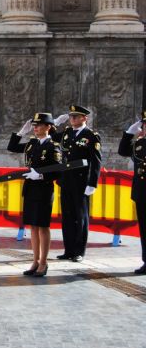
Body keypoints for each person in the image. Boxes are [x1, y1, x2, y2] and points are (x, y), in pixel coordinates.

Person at [8, 113, 62, 277]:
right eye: (34, 125)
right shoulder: (31, 144)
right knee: (32, 226)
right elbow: (12, 147)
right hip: (30, 189)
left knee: (43, 226)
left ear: (48, 127)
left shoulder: (54, 146)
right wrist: (19, 133)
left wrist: (41, 175)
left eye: (39, 125)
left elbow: (58, 170)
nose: (35, 127)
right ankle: (35, 260)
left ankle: (43, 262)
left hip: (44, 189)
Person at [52, 105, 102, 262]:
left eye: (76, 116)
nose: (72, 119)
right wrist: (53, 123)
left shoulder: (91, 135)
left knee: (80, 216)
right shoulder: (67, 132)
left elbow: (96, 161)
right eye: (71, 116)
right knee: (67, 216)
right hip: (66, 180)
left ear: (84, 118)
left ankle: (79, 251)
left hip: (81, 181)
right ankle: (68, 249)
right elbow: (52, 137)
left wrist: (92, 183)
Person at [118, 111, 146, 275]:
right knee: (144, 229)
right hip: (141, 192)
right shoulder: (140, 144)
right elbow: (123, 151)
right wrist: (128, 134)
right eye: (144, 125)